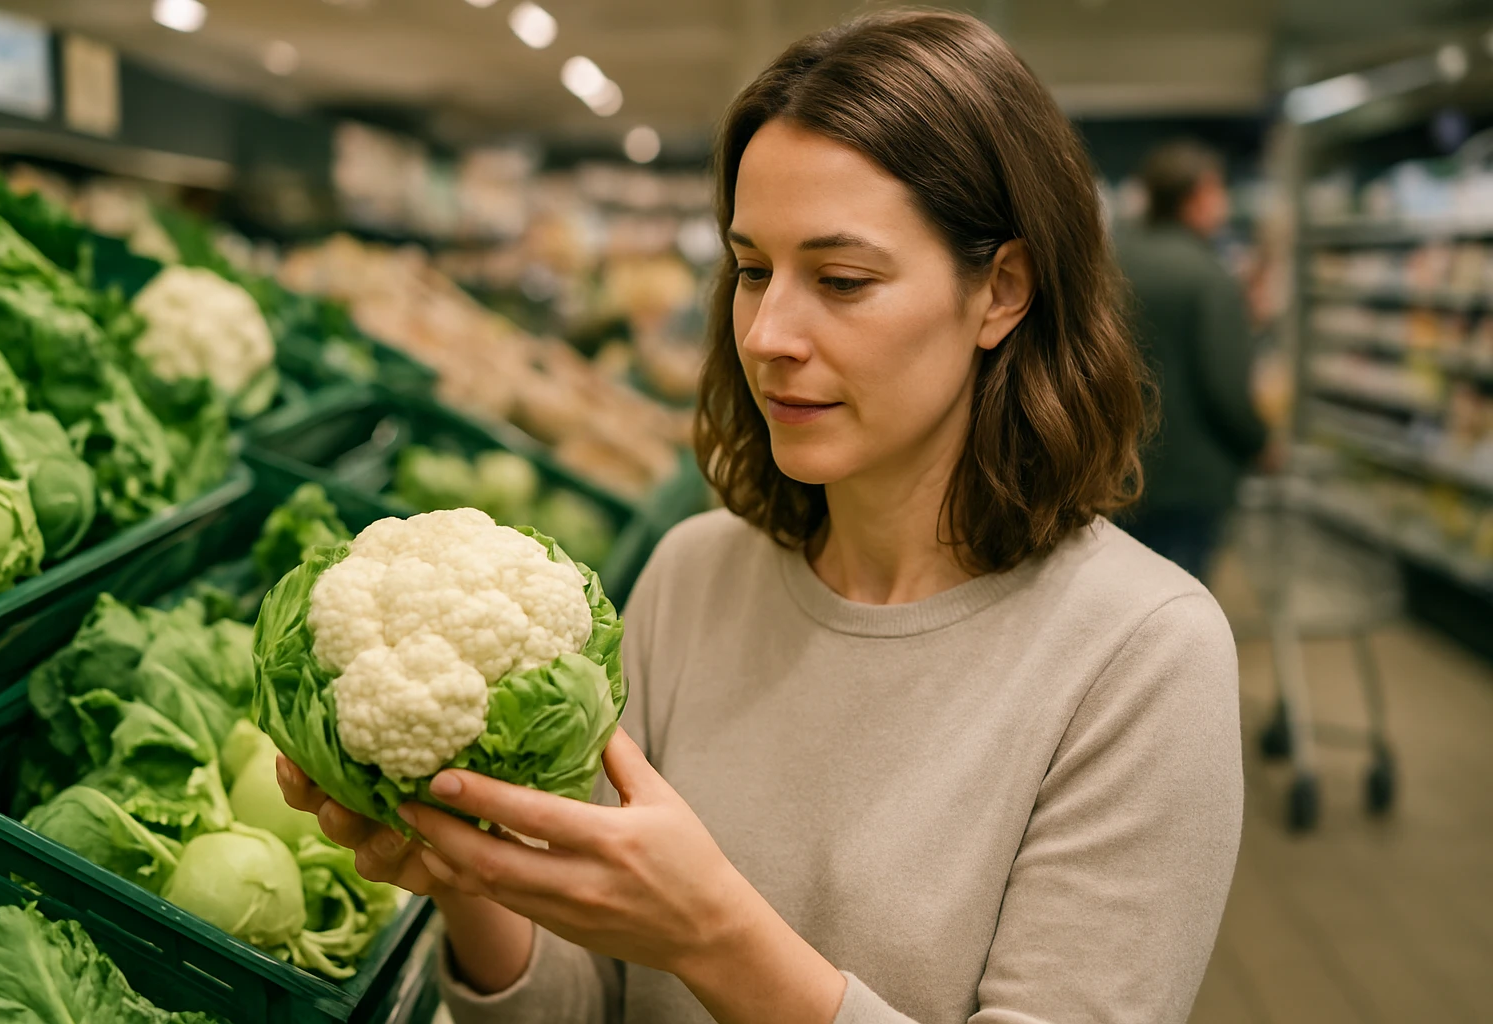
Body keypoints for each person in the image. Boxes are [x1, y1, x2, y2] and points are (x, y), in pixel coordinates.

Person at [277, 10, 1244, 1023]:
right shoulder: (690, 579)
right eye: (751, 270)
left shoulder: (1144, 655)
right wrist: (470, 876)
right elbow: (578, 1000)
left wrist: (712, 936)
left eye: (842, 280)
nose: (769, 332)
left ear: (1001, 290)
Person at [1116, 140, 1271, 583]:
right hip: (1190, 480)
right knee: (1180, 611)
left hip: (1117, 470)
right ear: (1200, 195)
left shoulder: (1112, 260)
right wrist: (1259, 442)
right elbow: (1226, 385)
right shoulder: (1208, 275)